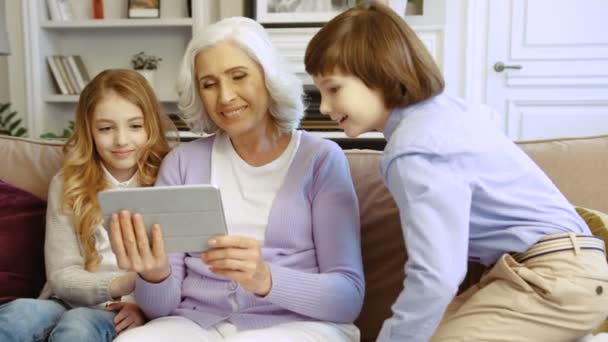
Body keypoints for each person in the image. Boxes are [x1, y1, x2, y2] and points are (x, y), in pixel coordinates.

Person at [304, 2, 608, 341]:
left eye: (334, 89)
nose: (326, 107)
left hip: (556, 277)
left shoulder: (413, 150)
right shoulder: (446, 112)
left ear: (381, 73)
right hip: (538, 272)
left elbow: (437, 273)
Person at [110, 16, 364, 342]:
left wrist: (265, 278)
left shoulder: (321, 160)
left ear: (268, 78)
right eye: (209, 83)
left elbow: (348, 297)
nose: (225, 96)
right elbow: (161, 309)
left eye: (238, 76)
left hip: (300, 325)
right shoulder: (182, 164)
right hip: (198, 324)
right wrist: (154, 274)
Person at [0, 69, 175, 341]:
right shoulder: (68, 183)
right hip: (65, 300)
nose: (121, 140)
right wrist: (124, 282)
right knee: (20, 314)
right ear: (89, 130)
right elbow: (61, 275)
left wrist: (143, 303)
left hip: (125, 308)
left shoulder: (170, 178)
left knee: (78, 326)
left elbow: (177, 269)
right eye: (106, 128)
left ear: (151, 125)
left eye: (135, 126)